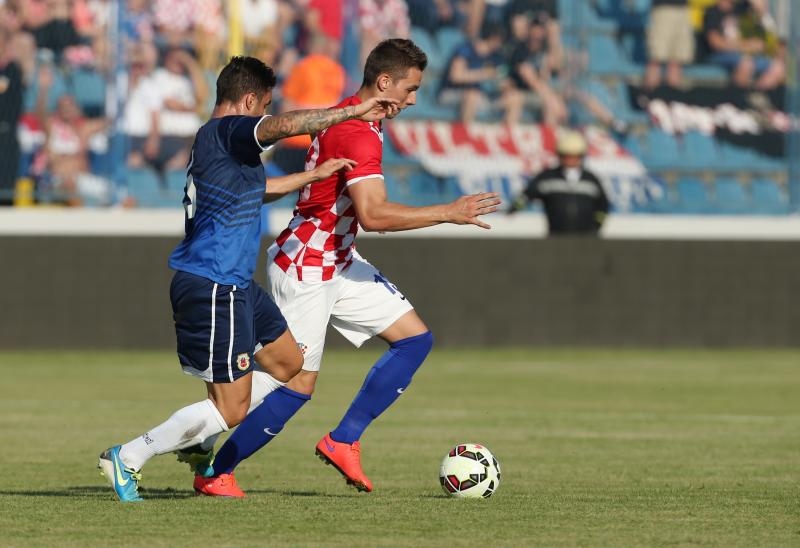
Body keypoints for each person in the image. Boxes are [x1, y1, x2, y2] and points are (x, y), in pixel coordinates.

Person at [193, 38, 501, 497]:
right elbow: (373, 215)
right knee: (294, 382)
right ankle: (212, 460)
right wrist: (448, 212)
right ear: (383, 83)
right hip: (308, 265)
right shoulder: (358, 130)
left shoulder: (357, 117)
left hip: (338, 259)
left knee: (414, 339)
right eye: (410, 89)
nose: (413, 100)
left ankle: (343, 439)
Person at [98, 55, 399, 502]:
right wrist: (353, 110)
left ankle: (200, 437)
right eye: (263, 107)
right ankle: (128, 456)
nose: (264, 116)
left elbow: (255, 191)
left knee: (289, 364)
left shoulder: (219, 146)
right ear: (249, 100)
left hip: (236, 285)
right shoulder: (230, 129)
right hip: (213, 282)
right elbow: (284, 125)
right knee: (232, 408)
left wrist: (311, 175)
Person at [508, 130, 609, 236]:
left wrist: (597, 226)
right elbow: (527, 195)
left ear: (581, 157)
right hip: (556, 238)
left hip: (586, 239)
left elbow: (603, 206)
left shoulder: (591, 180)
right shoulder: (547, 177)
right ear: (560, 156)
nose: (570, 160)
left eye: (574, 156)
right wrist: (515, 207)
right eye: (566, 156)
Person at [644, 0, 694, 89]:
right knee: (656, 58)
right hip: (663, 9)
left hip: (682, 9)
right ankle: (650, 95)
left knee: (677, 59)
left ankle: (673, 96)